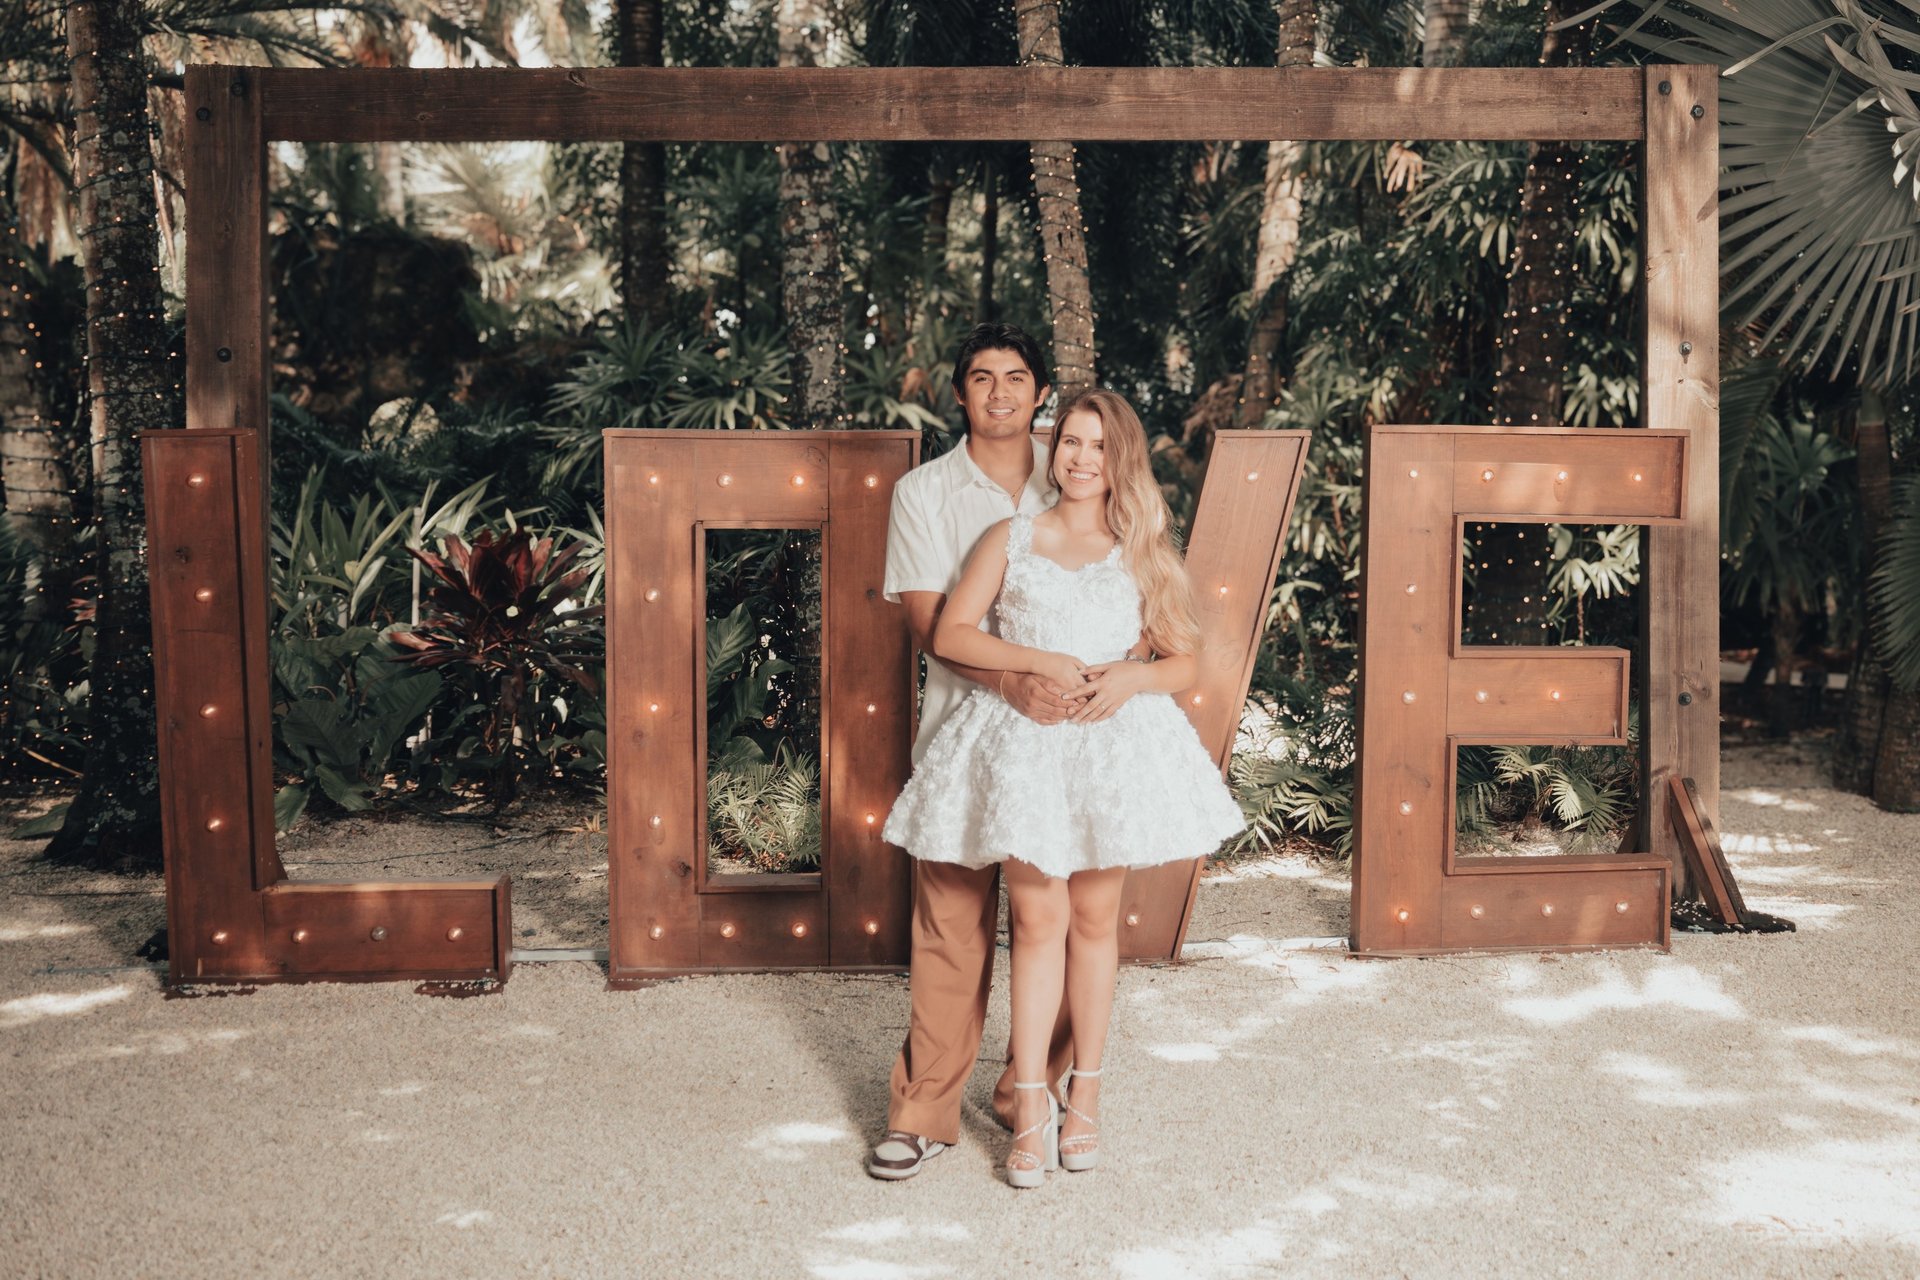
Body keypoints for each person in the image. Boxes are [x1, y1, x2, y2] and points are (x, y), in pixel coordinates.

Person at [882, 388, 1245, 1187]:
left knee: (1093, 920)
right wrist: (1039, 662)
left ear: (1122, 460)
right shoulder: (1010, 534)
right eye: (1071, 443)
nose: (1081, 459)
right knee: (1036, 919)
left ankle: (1087, 1099)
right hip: (1028, 747)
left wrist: (1131, 678)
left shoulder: (1140, 546)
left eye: (1097, 446)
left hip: (1107, 746)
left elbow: (1186, 662)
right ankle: (1031, 1105)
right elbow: (951, 632)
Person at [866, 322, 1079, 1182]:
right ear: (959, 393)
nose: (999, 393)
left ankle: (1033, 1093)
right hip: (959, 738)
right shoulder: (924, 491)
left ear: (1041, 394)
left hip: (1067, 746)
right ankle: (922, 1113)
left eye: (1016, 378)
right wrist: (1011, 683)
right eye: (982, 378)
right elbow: (927, 624)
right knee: (950, 928)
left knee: (1057, 925)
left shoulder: (1079, 477)